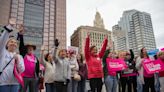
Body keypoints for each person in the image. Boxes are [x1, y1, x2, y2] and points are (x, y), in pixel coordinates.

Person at [0, 21, 25, 92]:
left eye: (15, 43)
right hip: (3, 84)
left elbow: (22, 70)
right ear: (7, 44)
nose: (13, 43)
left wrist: (17, 61)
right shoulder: (3, 52)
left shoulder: (19, 56)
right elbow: (2, 42)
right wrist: (9, 27)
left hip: (15, 84)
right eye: (11, 42)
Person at [17, 25, 40, 92]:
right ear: (26, 49)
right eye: (29, 48)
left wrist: (37, 76)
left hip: (33, 78)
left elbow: (37, 68)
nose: (30, 49)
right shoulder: (24, 55)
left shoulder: (35, 58)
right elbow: (21, 46)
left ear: (33, 50)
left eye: (32, 48)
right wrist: (21, 35)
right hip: (24, 77)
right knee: (22, 90)